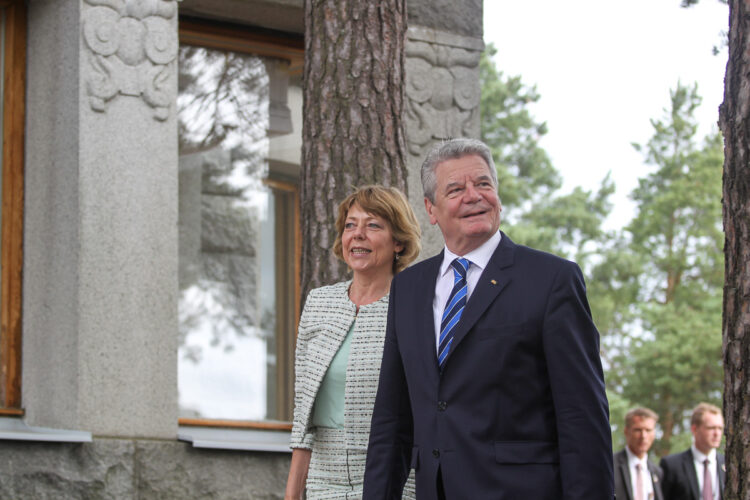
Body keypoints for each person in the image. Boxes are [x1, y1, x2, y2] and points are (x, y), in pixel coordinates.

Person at [362, 138, 613, 499]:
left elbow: (582, 417)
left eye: (483, 184)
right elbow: (392, 419)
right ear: (431, 209)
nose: (474, 195)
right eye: (456, 189)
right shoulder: (408, 288)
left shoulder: (552, 280)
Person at [284, 186, 421, 500]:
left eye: (372, 225)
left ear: (398, 241)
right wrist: (292, 494)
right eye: (350, 225)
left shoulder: (415, 307)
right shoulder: (319, 303)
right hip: (322, 479)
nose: (357, 234)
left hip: (394, 478)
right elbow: (303, 416)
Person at [660, 403, 725, 500]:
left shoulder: (728, 464)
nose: (717, 433)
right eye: (711, 428)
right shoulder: (671, 465)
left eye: (720, 428)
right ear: (694, 429)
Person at [614, 407, 664, 500]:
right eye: (638, 430)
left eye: (648, 430)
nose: (643, 436)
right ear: (626, 431)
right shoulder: (611, 465)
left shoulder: (657, 472)